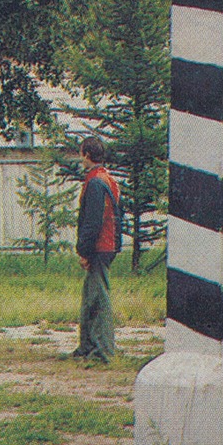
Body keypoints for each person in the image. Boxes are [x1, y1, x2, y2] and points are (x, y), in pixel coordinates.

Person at [72, 135, 121, 363]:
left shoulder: (95, 183)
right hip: (106, 245)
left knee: (99, 298)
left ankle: (104, 351)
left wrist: (84, 251)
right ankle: (88, 346)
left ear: (87, 155)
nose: (80, 158)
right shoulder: (107, 179)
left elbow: (92, 222)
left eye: (82, 153)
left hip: (99, 246)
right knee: (90, 295)